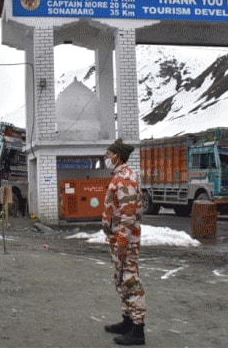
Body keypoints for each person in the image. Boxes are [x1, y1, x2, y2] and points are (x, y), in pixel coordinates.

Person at [102, 138, 146, 346]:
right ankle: (127, 321)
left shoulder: (126, 179)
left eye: (108, 155)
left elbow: (128, 216)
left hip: (125, 241)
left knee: (130, 280)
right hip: (118, 239)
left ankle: (138, 330)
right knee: (121, 278)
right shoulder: (119, 177)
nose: (106, 158)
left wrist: (121, 242)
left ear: (117, 156)